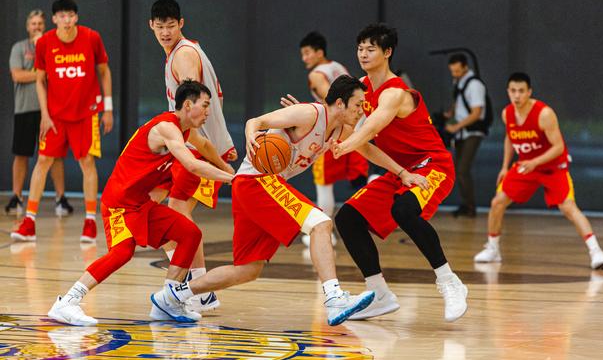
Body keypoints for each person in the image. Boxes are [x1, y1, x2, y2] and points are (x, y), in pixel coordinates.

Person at [161, 76, 419, 326]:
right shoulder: (309, 114)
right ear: (340, 103)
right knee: (321, 223)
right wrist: (251, 136)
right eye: (358, 104)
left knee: (247, 270)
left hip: (252, 188)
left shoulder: (340, 129)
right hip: (256, 181)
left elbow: (368, 148)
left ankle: (173, 296)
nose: (361, 110)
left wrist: (402, 172)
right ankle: (334, 297)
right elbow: (256, 121)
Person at [47, 81, 235, 326]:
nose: (209, 111)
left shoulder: (185, 131)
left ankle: (168, 301)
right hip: (118, 203)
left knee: (190, 234)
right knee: (122, 252)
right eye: (206, 105)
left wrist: (225, 166)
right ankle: (67, 302)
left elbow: (206, 147)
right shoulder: (167, 128)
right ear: (188, 105)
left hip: (140, 203)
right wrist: (232, 179)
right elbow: (192, 165)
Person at [331, 23, 468, 322]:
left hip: (433, 165)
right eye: (360, 48)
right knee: (347, 218)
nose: (363, 54)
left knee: (404, 210)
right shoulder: (359, 88)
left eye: (371, 49)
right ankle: (378, 293)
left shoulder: (396, 92)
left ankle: (449, 281)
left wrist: (345, 144)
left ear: (387, 52)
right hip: (401, 170)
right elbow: (343, 124)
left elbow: (370, 128)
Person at [148, 0, 236, 314]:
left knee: (176, 213)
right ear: (151, 26)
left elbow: (195, 105)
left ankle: (199, 287)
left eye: (171, 26)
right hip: (196, 143)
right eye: (160, 26)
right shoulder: (184, 51)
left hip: (196, 145)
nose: (165, 32)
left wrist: (210, 147)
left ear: (181, 24)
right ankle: (197, 285)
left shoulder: (184, 55)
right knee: (158, 209)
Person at [474, 72, 603, 269]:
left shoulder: (544, 114)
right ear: (508, 91)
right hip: (526, 166)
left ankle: (596, 252)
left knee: (568, 207)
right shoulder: (507, 113)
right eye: (513, 91)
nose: (517, 95)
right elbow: (509, 138)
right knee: (497, 202)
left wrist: (535, 162)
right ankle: (493, 248)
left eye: (521, 91)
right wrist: (505, 167)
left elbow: (559, 147)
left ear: (529, 92)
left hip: (552, 167)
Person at [11, 0, 112, 242]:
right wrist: (45, 114)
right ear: (54, 19)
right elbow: (40, 80)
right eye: (62, 16)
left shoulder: (91, 38)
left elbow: (104, 71)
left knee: (87, 162)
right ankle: (29, 222)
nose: (66, 20)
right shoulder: (45, 43)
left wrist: (108, 108)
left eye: (70, 15)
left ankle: (90, 221)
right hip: (56, 115)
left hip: (86, 113)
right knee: (43, 161)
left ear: (76, 17)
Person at [295, 31, 368, 246]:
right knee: (359, 177)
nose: (304, 58)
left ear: (319, 52)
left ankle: (324, 232)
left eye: (307, 53)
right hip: (358, 128)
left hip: (335, 131)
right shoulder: (338, 67)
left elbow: (336, 102)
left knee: (323, 182)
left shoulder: (317, 75)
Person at [6, 9, 72, 217]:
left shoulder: (53, 47)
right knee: (21, 154)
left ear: (45, 26)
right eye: (33, 23)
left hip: (50, 112)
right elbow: (17, 75)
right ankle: (17, 197)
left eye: (40, 24)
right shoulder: (19, 48)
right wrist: (41, 74)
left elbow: (57, 74)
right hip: (25, 109)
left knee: (55, 155)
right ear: (28, 27)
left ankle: (61, 199)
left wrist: (43, 60)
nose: (36, 27)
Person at [445, 54, 487, 218]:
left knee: (462, 169)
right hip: (462, 132)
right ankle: (465, 204)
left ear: (465, 67)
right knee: (459, 170)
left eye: (457, 71)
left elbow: (477, 112)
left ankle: (470, 206)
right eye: (452, 71)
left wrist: (456, 126)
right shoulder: (459, 82)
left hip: (472, 131)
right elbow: (459, 101)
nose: (454, 74)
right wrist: (450, 114)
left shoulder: (474, 85)